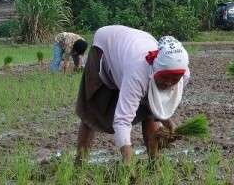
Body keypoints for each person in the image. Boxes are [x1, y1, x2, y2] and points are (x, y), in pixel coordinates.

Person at [75, 25, 190, 165]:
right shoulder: (138, 73)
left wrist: (169, 124)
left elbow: (155, 107)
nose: (169, 83)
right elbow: (122, 121)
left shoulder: (183, 76)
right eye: (165, 77)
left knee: (148, 114)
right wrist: (128, 163)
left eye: (174, 79)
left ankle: (155, 162)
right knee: (92, 113)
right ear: (155, 70)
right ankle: (79, 163)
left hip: (130, 48)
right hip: (105, 48)